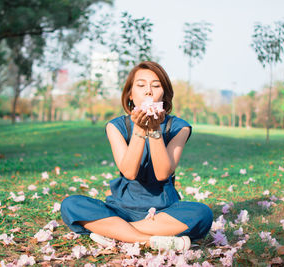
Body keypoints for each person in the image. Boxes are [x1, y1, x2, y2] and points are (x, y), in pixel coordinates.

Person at [61, 61, 213, 251]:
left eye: (156, 86)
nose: (148, 91)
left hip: (164, 212)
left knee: (203, 214)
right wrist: (140, 129)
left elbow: (162, 173)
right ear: (130, 94)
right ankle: (150, 241)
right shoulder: (116, 126)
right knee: (71, 204)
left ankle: (115, 233)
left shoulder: (178, 127)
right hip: (121, 209)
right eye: (141, 85)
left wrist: (154, 130)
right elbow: (129, 172)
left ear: (164, 95)